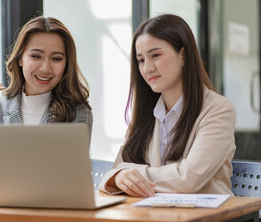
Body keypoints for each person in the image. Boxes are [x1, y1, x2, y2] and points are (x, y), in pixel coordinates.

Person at [99, 14, 236, 197]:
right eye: (141, 60)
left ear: (183, 55)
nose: (147, 68)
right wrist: (118, 177)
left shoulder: (218, 110)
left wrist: (128, 173)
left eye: (155, 55)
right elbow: (113, 173)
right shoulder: (144, 114)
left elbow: (187, 179)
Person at [0, 16, 93, 186]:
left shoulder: (77, 112)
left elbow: (63, 181)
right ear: (20, 59)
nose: (46, 68)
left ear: (66, 64)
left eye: (56, 59)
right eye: (36, 56)